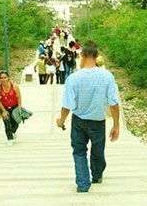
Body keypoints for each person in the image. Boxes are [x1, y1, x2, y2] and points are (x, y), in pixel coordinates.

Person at [56, 41, 120, 193]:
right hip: (98, 121)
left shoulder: (73, 78)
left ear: (82, 55)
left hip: (78, 121)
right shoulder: (107, 76)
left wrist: (61, 120)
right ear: (97, 56)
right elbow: (114, 103)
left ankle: (83, 184)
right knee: (98, 150)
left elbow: (67, 105)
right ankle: (97, 175)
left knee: (79, 151)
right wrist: (116, 125)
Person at [0, 70, 22, 145]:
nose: (3, 79)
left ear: (8, 78)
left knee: (16, 122)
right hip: (4, 107)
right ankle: (9, 138)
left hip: (15, 106)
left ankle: (12, 132)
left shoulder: (15, 86)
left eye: (5, 77)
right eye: (1, 78)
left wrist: (19, 108)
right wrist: (3, 110)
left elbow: (19, 98)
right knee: (7, 122)